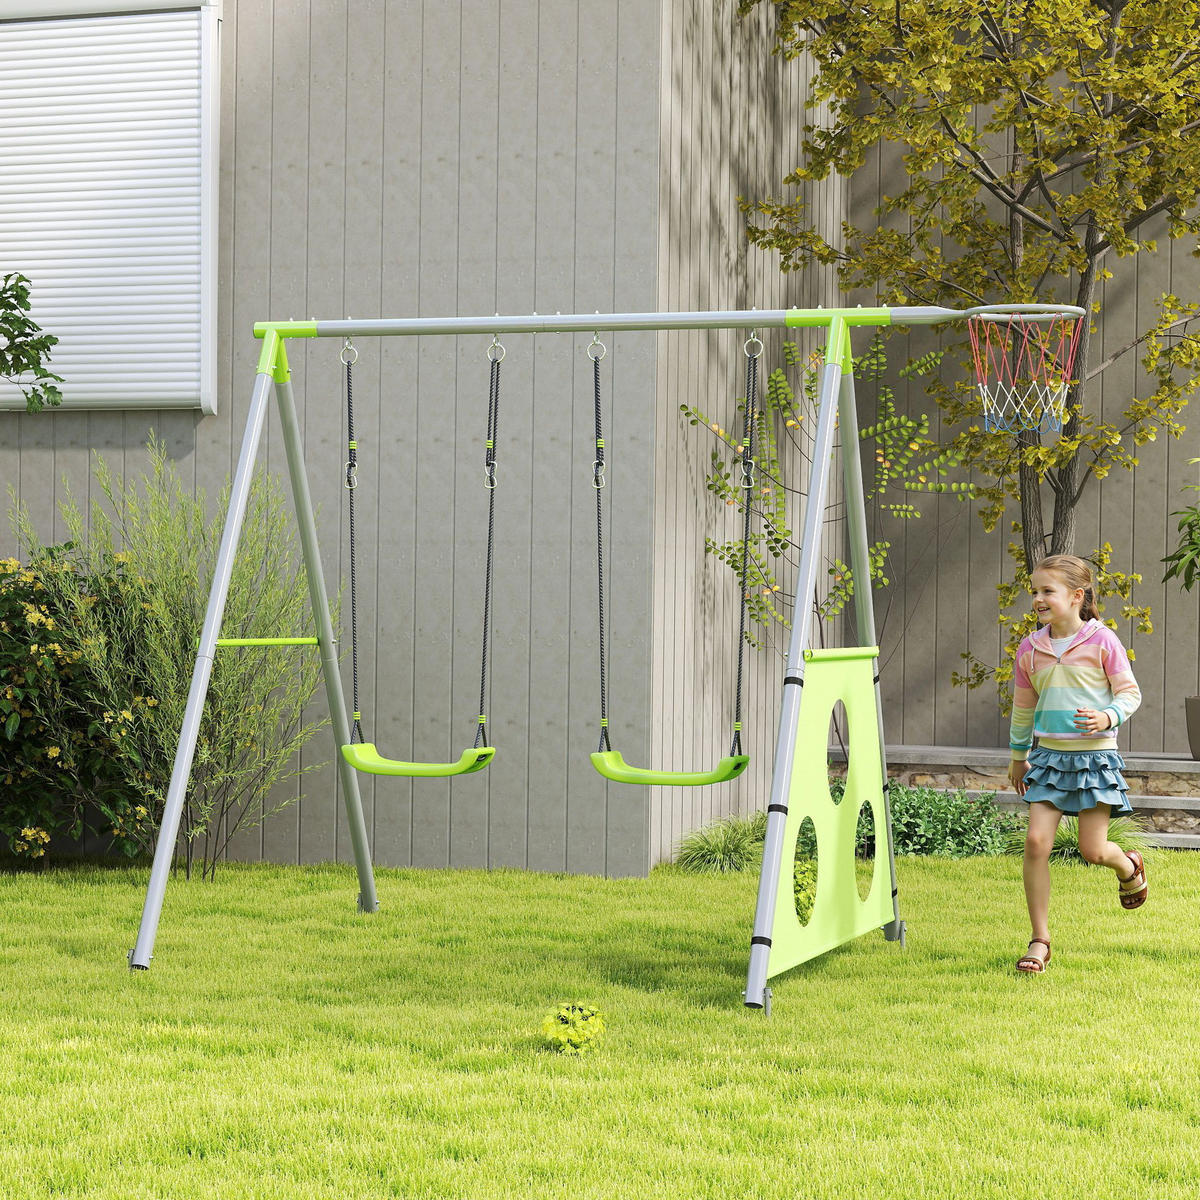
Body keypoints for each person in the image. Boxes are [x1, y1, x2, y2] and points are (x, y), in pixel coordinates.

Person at [1007, 554, 1145, 974]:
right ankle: (1039, 941)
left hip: (1093, 760)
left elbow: (1130, 694)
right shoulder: (1030, 649)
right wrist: (1018, 756)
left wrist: (1108, 716)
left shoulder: (1103, 641)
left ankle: (1128, 864)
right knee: (1036, 843)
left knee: (1092, 850)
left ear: (1076, 596)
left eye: (1047, 590)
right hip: (1048, 760)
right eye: (1035, 591)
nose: (1038, 598)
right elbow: (1022, 708)